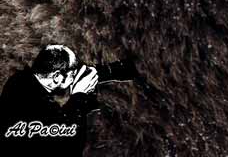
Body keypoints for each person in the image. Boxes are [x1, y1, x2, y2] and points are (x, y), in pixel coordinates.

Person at [0, 45, 134, 157]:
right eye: (73, 74)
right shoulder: (38, 104)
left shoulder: (19, 80)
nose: (75, 76)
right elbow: (69, 146)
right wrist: (79, 95)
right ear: (57, 77)